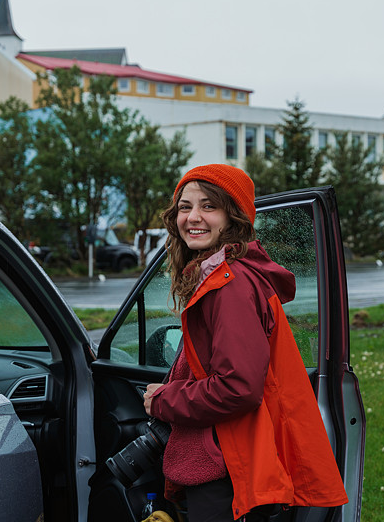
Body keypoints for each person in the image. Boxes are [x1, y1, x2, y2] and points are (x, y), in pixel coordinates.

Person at [142, 164, 348, 522]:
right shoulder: (222, 276)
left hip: (230, 468)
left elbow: (238, 388)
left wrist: (163, 399)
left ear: (233, 217)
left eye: (209, 206)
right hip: (231, 457)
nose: (193, 217)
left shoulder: (230, 285)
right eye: (185, 206)